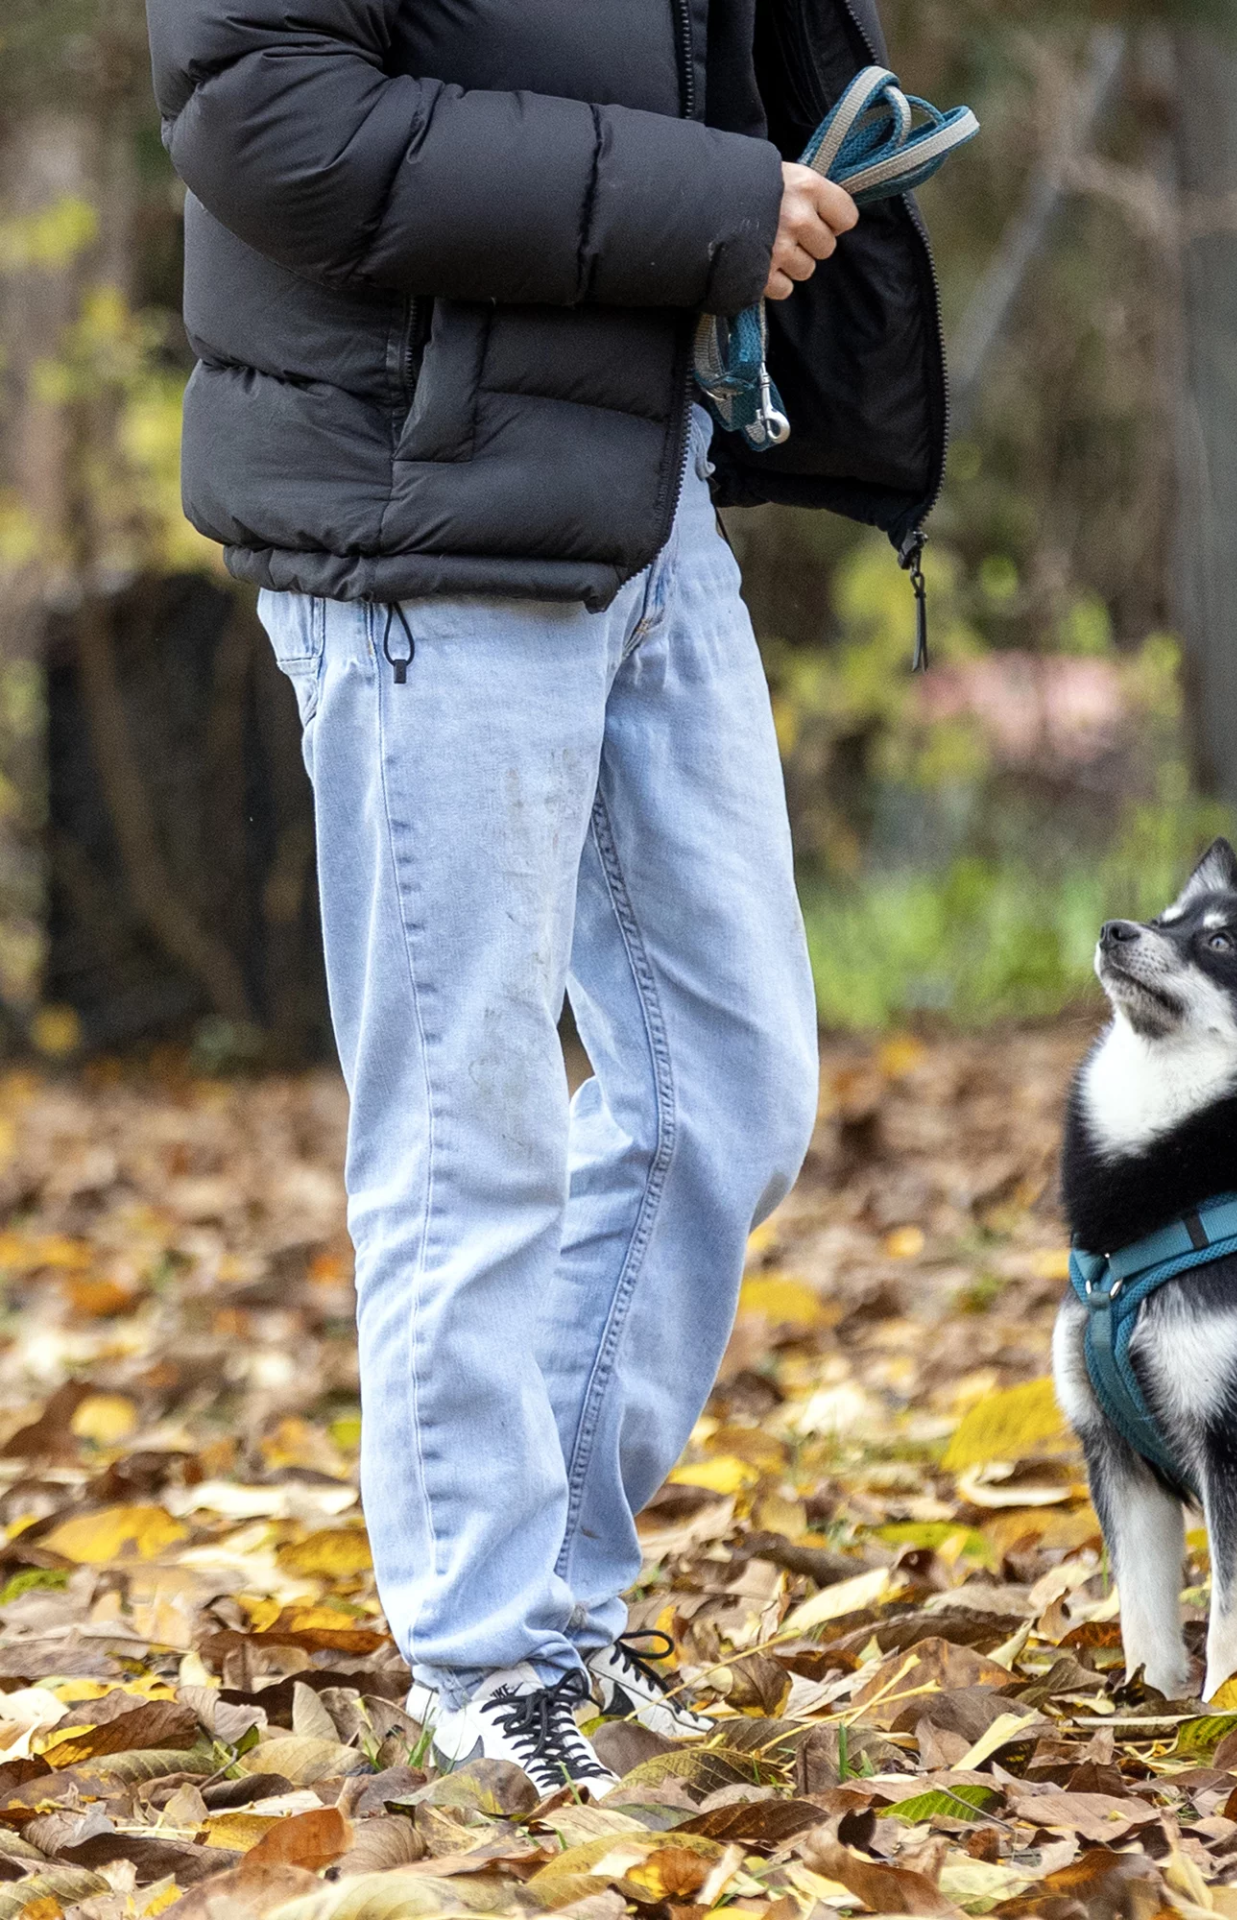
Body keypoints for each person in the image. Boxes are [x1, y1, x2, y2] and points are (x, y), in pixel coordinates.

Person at [146, 0, 947, 1795]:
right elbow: (269, 114)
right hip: (420, 510)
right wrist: (704, 201)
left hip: (642, 478)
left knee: (729, 1090)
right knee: (468, 1129)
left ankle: (560, 1613)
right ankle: (483, 1659)